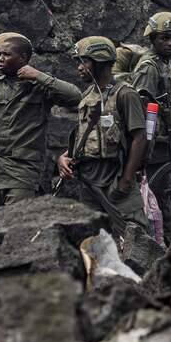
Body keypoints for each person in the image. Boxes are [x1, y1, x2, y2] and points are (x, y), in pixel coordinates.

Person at [0, 34, 82, 213]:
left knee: (17, 225)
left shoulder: (38, 87)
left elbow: (75, 96)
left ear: (22, 58)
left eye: (6, 54)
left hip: (21, 173)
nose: (0, 58)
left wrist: (38, 76)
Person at [55, 36, 149, 236]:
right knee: (95, 239)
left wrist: (126, 179)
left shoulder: (125, 94)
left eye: (84, 61)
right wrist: (63, 157)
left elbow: (139, 138)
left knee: (134, 236)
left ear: (100, 61)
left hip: (114, 176)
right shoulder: (88, 95)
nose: (79, 68)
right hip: (88, 179)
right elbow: (84, 136)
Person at [131, 11, 171, 239]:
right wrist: (145, 145)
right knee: (156, 195)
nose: (170, 43)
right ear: (152, 38)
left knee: (168, 194)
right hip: (154, 145)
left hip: (166, 140)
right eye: (164, 38)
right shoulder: (149, 67)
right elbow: (143, 109)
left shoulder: (166, 65)